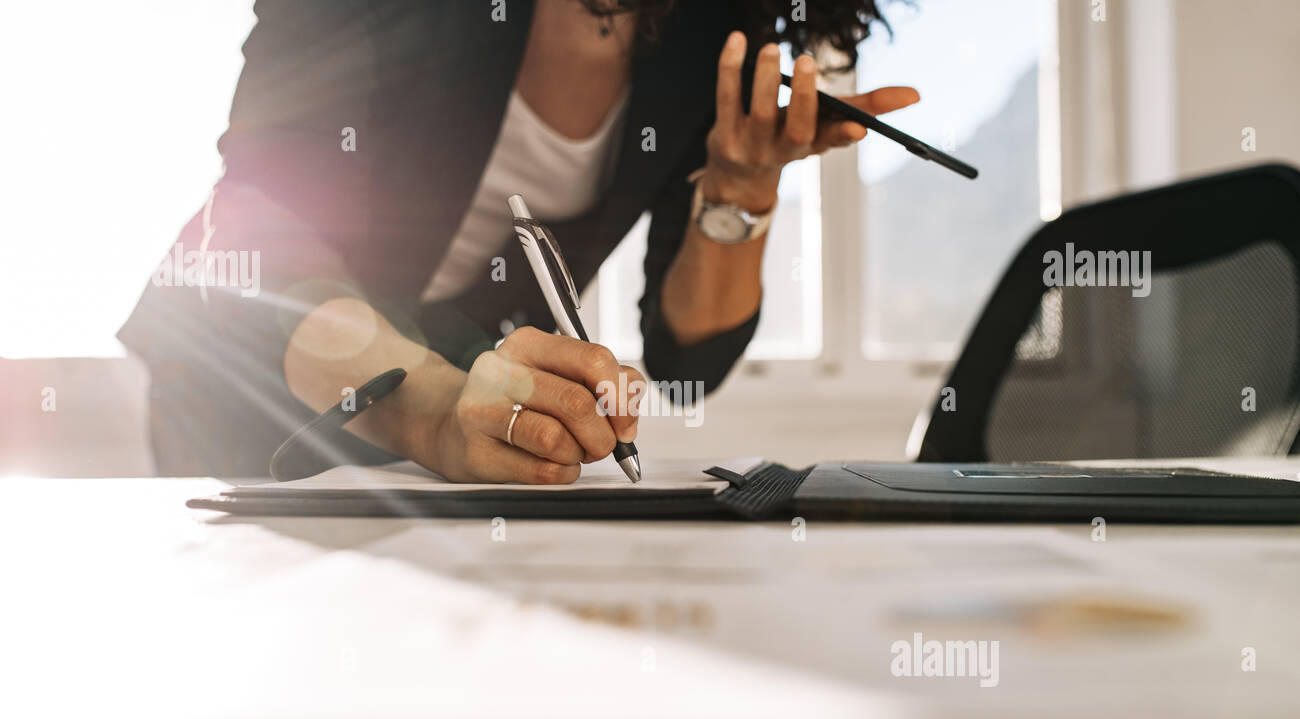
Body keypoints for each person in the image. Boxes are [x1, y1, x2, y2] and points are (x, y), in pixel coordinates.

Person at [118, 0, 918, 481]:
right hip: (246, 378)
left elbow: (686, 364)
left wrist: (740, 195)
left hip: (454, 414)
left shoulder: (700, 33)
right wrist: (429, 409)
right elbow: (264, 221)